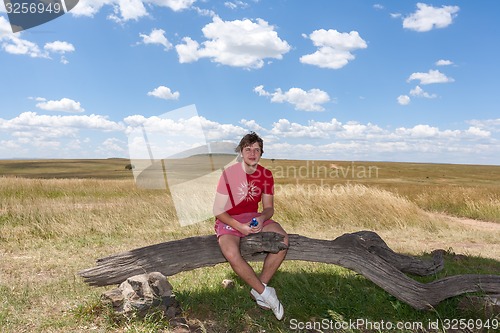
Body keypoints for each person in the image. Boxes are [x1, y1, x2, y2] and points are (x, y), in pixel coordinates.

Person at [213, 132, 288, 320]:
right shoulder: (228, 174)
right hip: (229, 219)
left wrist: (262, 218)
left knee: (283, 240)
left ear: (261, 153)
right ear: (241, 152)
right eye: (248, 149)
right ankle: (266, 293)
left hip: (254, 217)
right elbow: (218, 210)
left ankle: (259, 289)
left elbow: (269, 208)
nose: (252, 153)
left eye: (257, 150)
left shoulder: (266, 175)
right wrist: (239, 226)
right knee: (231, 252)